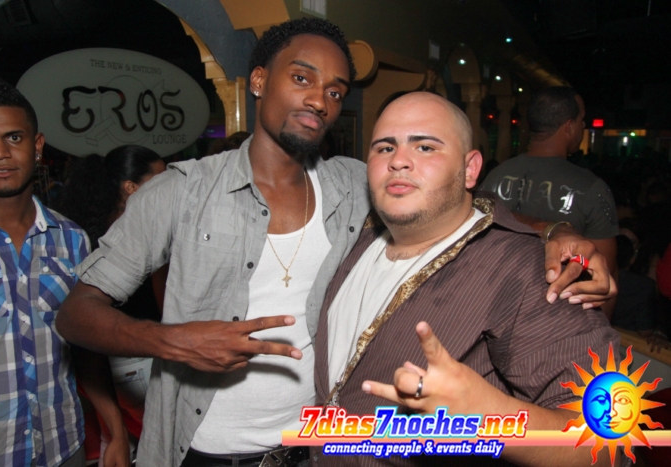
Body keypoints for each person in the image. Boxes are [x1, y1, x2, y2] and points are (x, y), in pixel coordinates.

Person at [56, 19, 615, 467]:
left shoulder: (354, 185)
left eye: (334, 91)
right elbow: (75, 315)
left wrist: (555, 231)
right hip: (199, 449)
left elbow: (452, 202)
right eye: (301, 78)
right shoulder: (178, 192)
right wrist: (172, 342)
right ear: (258, 81)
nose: (320, 100)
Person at [315, 92, 618, 466]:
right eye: (385, 148)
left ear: (470, 169)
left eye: (425, 147)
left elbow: (610, 440)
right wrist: (554, 226)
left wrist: (488, 416)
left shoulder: (525, 271)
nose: (398, 161)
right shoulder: (358, 234)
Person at [0, 77, 127, 467]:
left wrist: (115, 429)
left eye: (13, 138)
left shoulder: (71, 240)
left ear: (37, 146)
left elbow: (86, 347)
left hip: (62, 447)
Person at [56, 146, 166, 464]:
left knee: (116, 442)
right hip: (140, 359)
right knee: (161, 445)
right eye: (161, 179)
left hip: (105, 363)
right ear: (131, 187)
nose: (170, 186)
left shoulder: (89, 229)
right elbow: (164, 305)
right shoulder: (142, 235)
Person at [480, 87, 619, 317]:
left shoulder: (494, 176)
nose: (583, 126)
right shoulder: (592, 188)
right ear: (569, 126)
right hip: (557, 317)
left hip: (491, 305)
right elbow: (604, 277)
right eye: (582, 120)